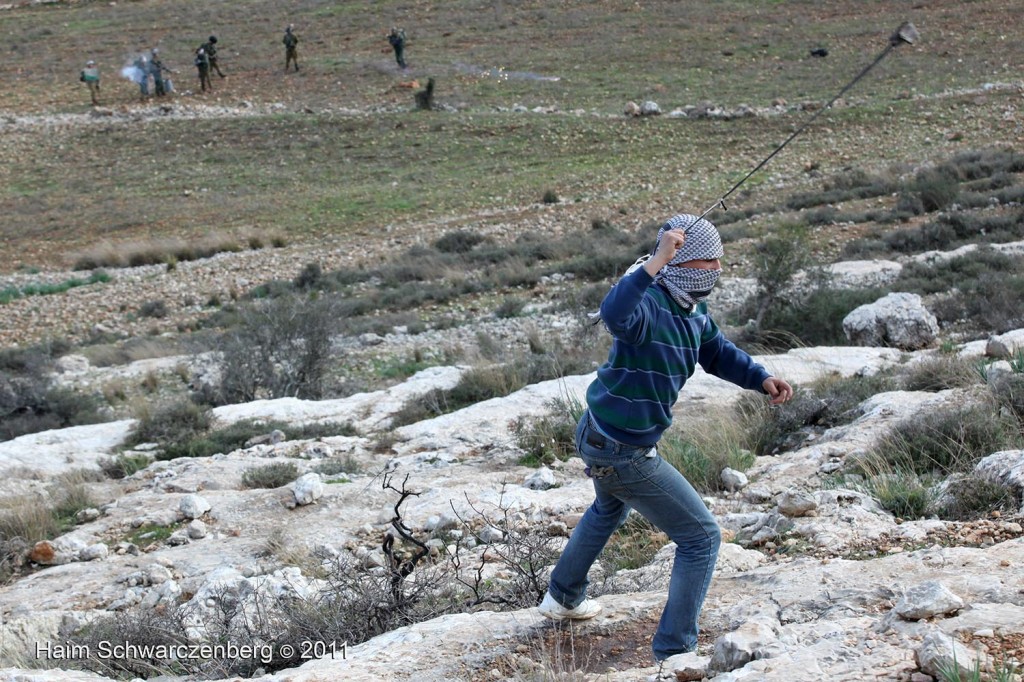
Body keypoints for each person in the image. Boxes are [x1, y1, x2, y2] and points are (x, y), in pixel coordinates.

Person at [538, 214, 794, 663]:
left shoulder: (692, 309)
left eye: (719, 261)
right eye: (705, 261)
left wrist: (760, 378)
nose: (715, 269)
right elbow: (613, 314)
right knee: (701, 538)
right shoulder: (648, 306)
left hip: (604, 436)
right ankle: (675, 652)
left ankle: (562, 596)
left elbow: (717, 353)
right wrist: (654, 261)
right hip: (621, 448)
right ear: (677, 261)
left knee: (608, 508)